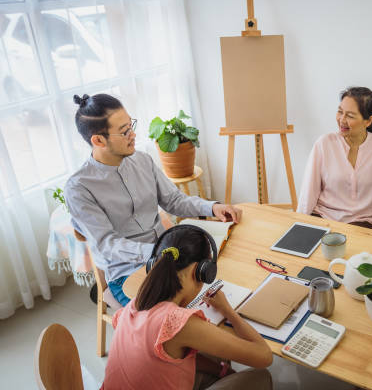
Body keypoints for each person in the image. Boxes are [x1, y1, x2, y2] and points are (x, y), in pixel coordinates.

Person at [65, 94, 242, 306]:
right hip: (127, 272)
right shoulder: (79, 188)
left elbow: (174, 200)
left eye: (131, 125)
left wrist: (213, 207)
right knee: (178, 321)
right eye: (124, 131)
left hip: (168, 256)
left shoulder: (142, 160)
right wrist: (158, 252)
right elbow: (108, 244)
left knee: (228, 282)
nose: (133, 134)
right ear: (98, 140)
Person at [102, 224, 273, 390]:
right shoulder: (177, 323)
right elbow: (264, 356)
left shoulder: (135, 304)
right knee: (261, 377)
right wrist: (229, 311)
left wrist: (221, 371)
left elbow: (176, 354)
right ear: (200, 272)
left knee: (213, 351)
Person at [297, 87, 372, 231]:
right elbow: (308, 192)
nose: (342, 120)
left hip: (360, 227)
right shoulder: (324, 143)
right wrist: (300, 226)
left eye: (350, 116)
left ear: (368, 121)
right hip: (322, 220)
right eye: (340, 112)